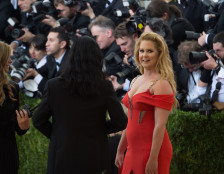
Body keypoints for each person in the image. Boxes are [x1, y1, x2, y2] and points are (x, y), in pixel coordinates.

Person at [32, 36, 127, 174]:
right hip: (95, 156)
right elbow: (121, 122)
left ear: (71, 57)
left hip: (62, 155)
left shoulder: (54, 85)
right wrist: (99, 130)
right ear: (97, 58)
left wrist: (58, 134)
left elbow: (38, 120)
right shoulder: (104, 86)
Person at [115, 32, 177, 174]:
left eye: (150, 51)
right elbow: (130, 121)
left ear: (159, 54)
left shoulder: (161, 84)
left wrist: (153, 158)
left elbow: (160, 126)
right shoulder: (136, 80)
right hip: (132, 149)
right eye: (142, 51)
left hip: (153, 151)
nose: (144, 55)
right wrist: (120, 149)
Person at [0, 41, 30, 174]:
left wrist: (23, 125)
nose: (10, 61)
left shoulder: (13, 88)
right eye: (8, 57)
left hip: (7, 154)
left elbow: (16, 127)